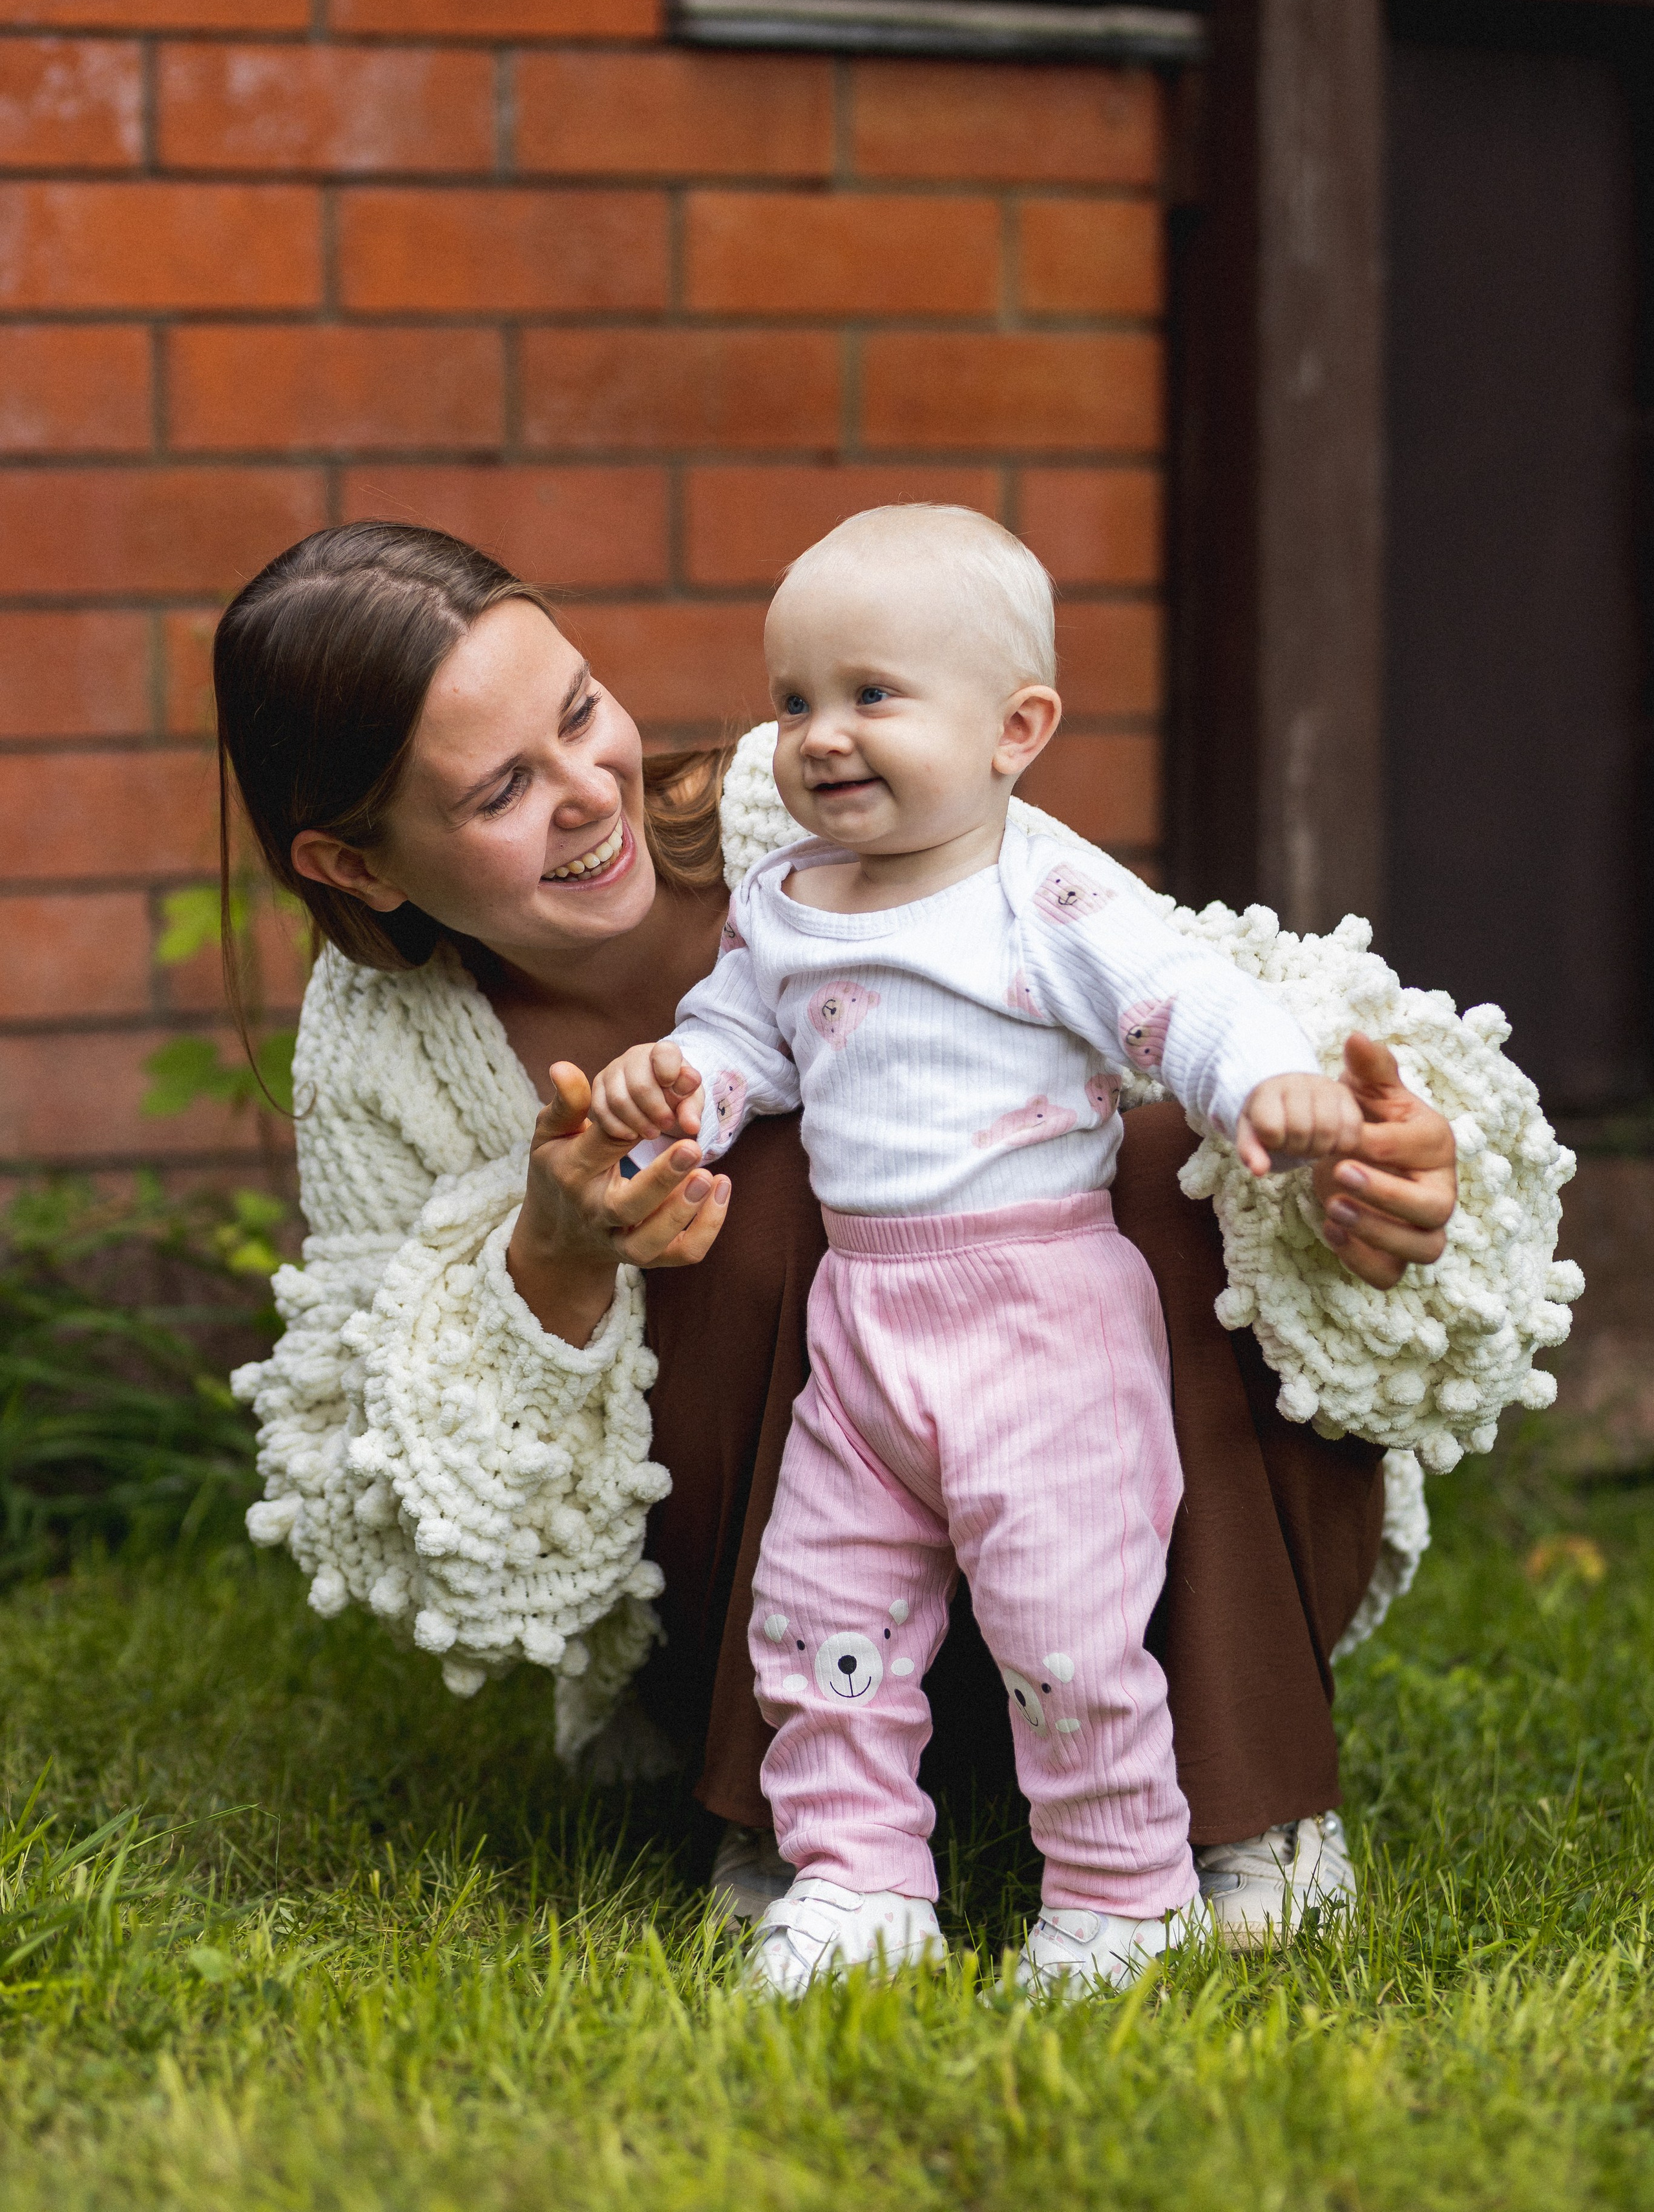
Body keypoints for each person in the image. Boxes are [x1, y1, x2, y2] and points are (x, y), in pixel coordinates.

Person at [218, 521, 1456, 1957]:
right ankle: (805, 1822)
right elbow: (378, 1448)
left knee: (1158, 1148)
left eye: (577, 713)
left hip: (1070, 1450)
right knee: (752, 1194)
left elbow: (1172, 984)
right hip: (786, 1533)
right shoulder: (376, 1049)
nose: (583, 794)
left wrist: (1359, 1151)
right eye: (499, 789)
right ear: (354, 866)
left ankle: (1237, 1787)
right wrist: (555, 1253)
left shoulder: (827, 789)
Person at [589, 506, 1381, 1995]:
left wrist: (1268, 1078)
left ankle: (1117, 1889)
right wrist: (676, 1093)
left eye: (871, 695)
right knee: (825, 1613)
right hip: (862, 1331)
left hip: (1039, 1322)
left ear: (1015, 727)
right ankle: (855, 1879)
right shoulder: (780, 905)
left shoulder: (1046, 893)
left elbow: (1180, 1000)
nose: (821, 737)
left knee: (1066, 1625)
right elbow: (732, 1040)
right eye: (794, 700)